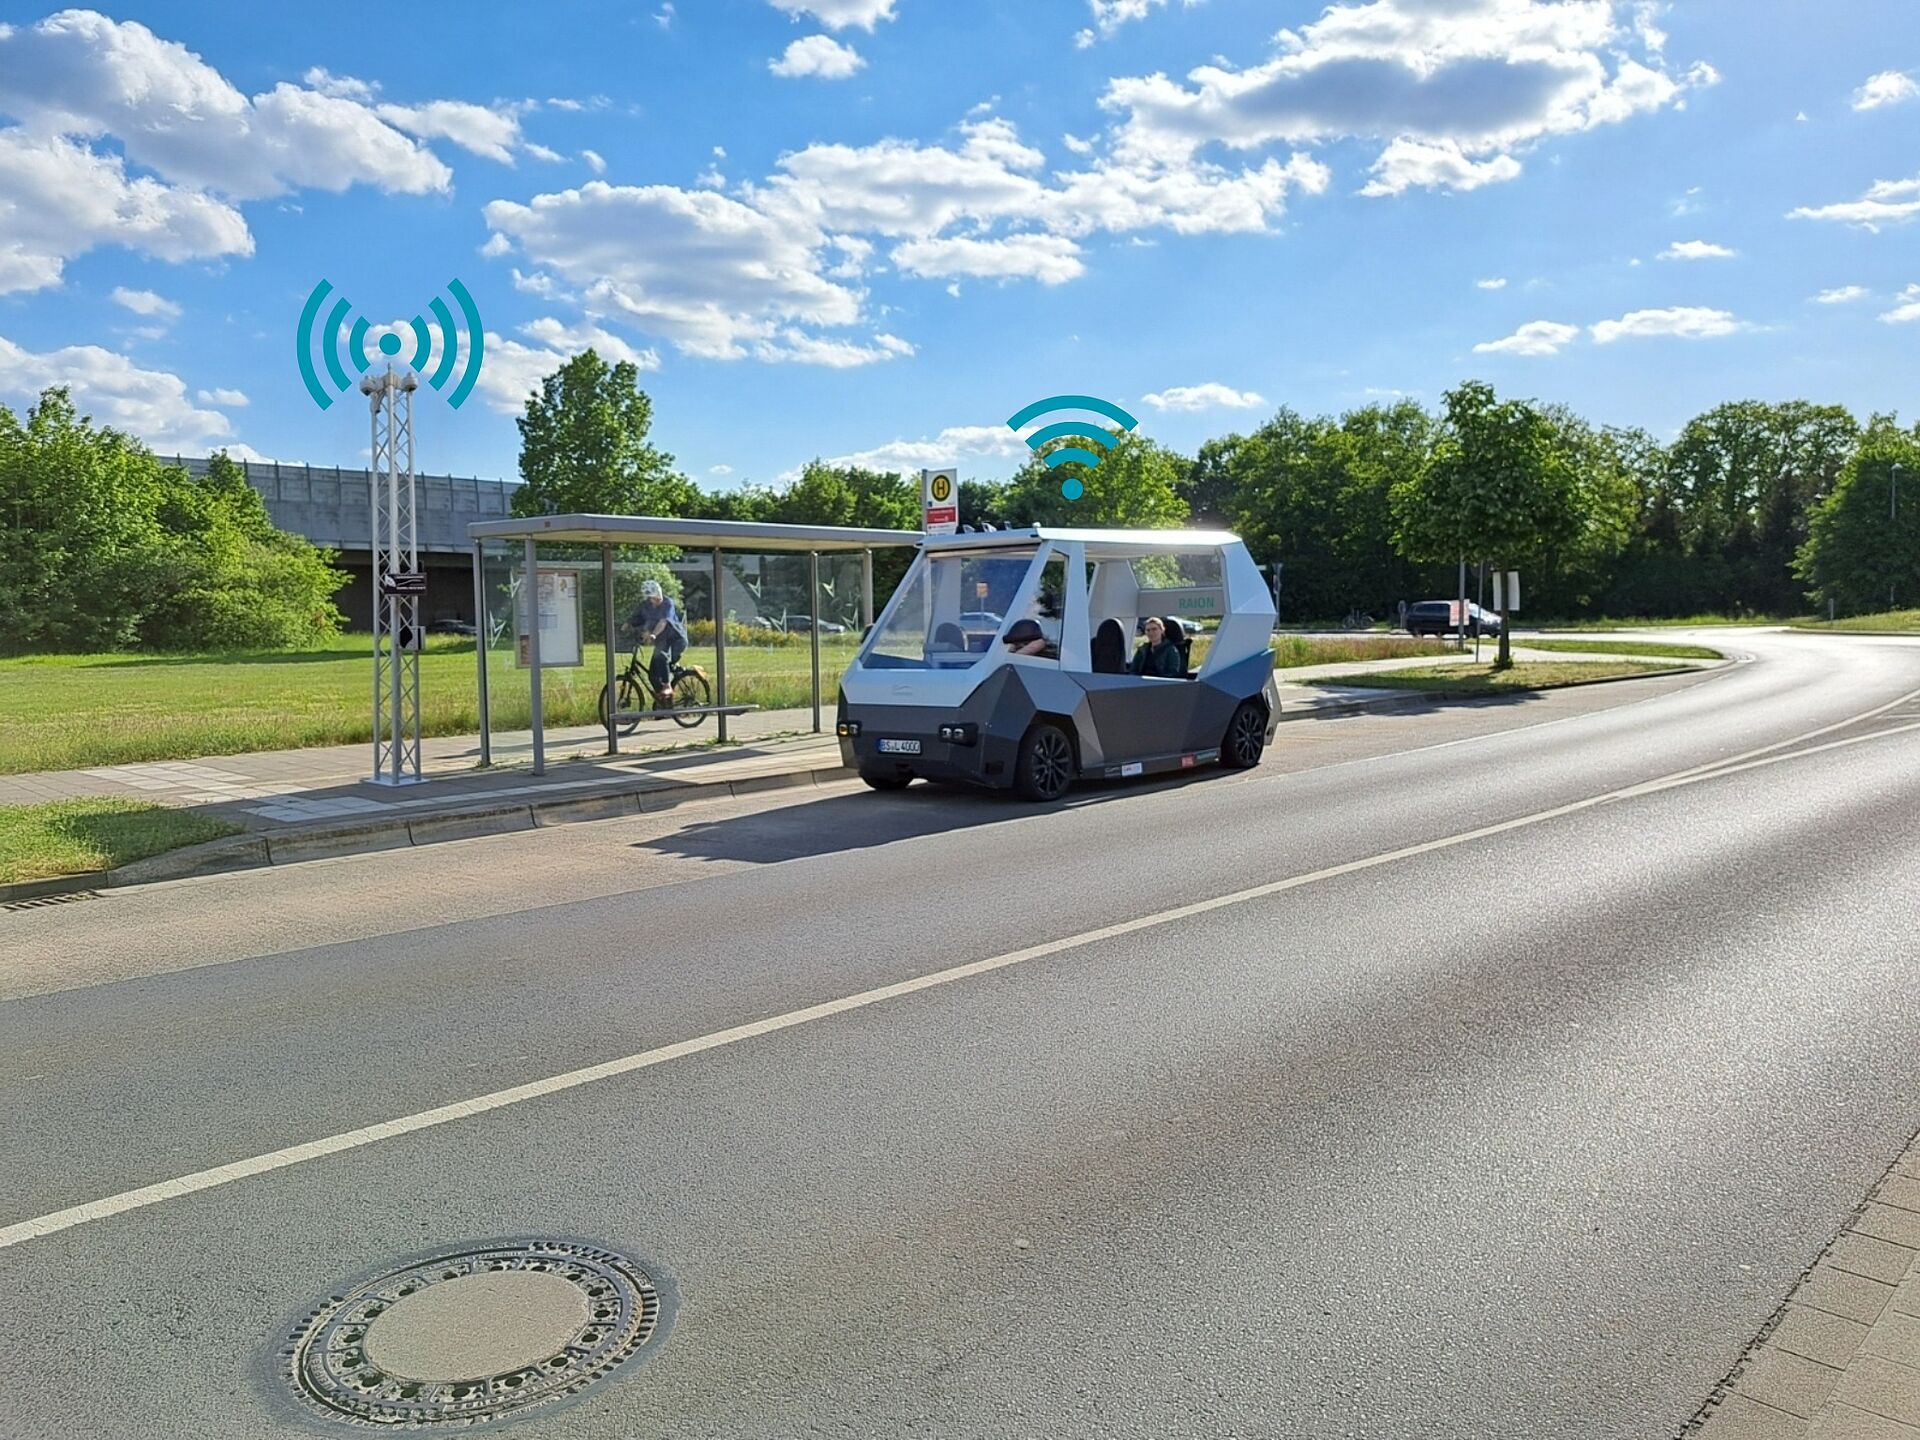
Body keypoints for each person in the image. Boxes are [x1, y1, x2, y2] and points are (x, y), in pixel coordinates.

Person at [627, 578, 689, 708]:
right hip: (662, 641)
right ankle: (663, 703)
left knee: (661, 657)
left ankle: (667, 686)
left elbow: (663, 622)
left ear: (658, 594)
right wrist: (626, 626)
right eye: (650, 598)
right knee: (652, 675)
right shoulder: (646, 605)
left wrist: (653, 634)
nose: (652, 601)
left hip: (676, 640)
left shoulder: (667, 603)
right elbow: (636, 618)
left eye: (653, 598)